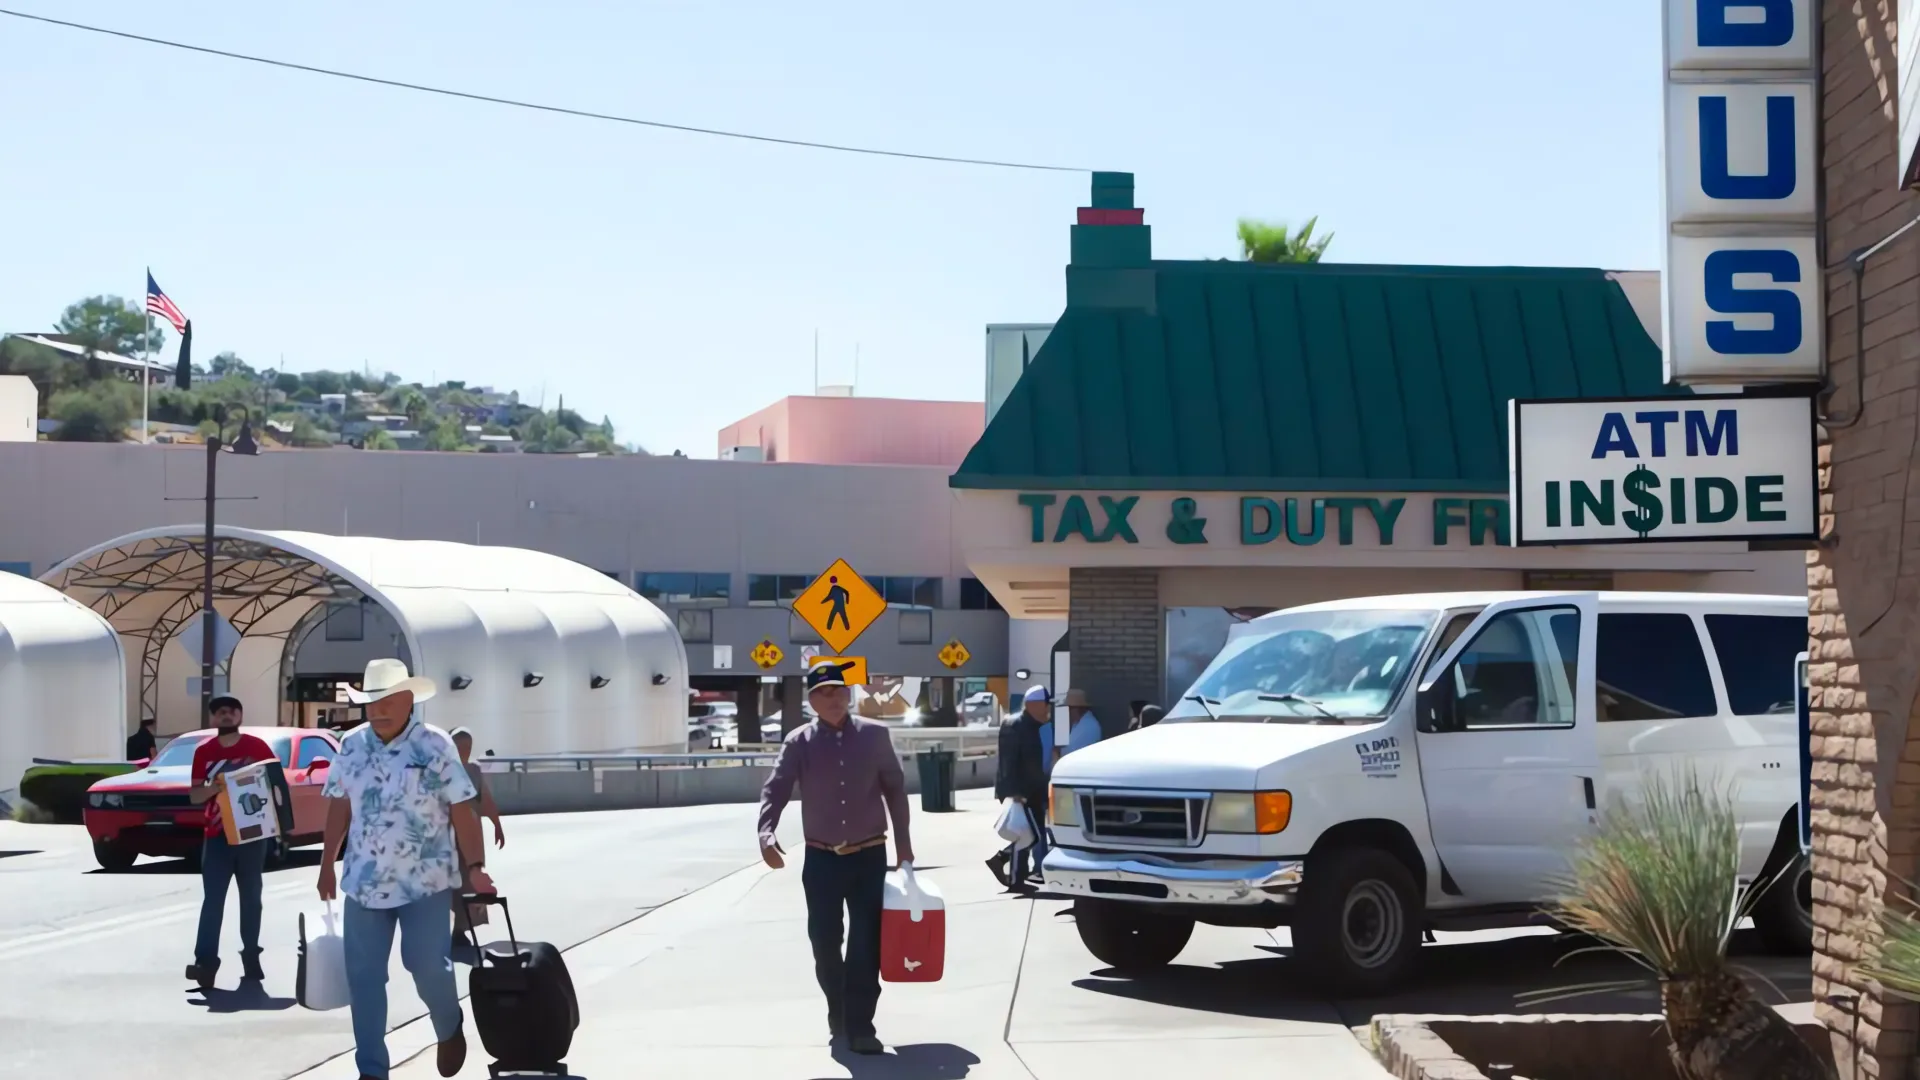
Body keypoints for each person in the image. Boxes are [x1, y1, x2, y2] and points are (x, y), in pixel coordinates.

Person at [318, 659, 494, 1080]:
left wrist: (476, 867)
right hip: (364, 881)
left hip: (425, 881)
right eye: (370, 703)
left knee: (426, 963)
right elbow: (339, 803)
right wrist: (327, 862)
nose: (377, 711)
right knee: (363, 978)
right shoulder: (351, 746)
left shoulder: (435, 746)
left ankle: (449, 1027)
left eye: (386, 702)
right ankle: (372, 1071)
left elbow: (462, 810)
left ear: (408, 700)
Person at [757, 660, 913, 1056]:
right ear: (811, 700)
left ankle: (861, 1025)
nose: (833, 698)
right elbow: (776, 788)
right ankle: (838, 1010)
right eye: (822, 692)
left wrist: (904, 847)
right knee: (824, 943)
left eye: (839, 690)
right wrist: (766, 832)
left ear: (849, 694)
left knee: (865, 943)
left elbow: (895, 790)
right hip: (822, 859)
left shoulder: (875, 735)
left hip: (869, 856)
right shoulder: (799, 742)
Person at [186, 696, 276, 988]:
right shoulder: (204, 752)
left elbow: (274, 785)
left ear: (240, 715)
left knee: (251, 900)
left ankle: (251, 955)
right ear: (213, 719)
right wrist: (218, 785)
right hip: (216, 837)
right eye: (220, 712)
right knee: (213, 901)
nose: (226, 716)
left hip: (251, 836)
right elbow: (195, 794)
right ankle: (205, 963)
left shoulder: (257, 747)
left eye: (231, 711)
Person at [991, 685, 1052, 890]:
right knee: (1030, 835)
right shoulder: (1016, 725)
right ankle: (1013, 874)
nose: (1047, 709)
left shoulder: (1029, 725)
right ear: (1035, 704)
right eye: (1045, 704)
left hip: (1032, 790)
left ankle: (1008, 868)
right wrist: (1014, 791)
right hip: (1023, 792)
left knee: (1027, 834)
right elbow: (1008, 760)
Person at [448, 727, 505, 938]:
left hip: (471, 836)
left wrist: (497, 824)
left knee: (469, 883)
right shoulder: (441, 770)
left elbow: (486, 800)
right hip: (445, 836)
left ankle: (461, 930)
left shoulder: (473, 770)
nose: (465, 751)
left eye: (468, 747)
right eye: (460, 747)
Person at [1062, 689, 1105, 756]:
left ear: (1077, 708)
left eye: (1069, 709)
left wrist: (1056, 751)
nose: (1068, 712)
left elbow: (1069, 751)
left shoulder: (1089, 726)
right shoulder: (1077, 723)